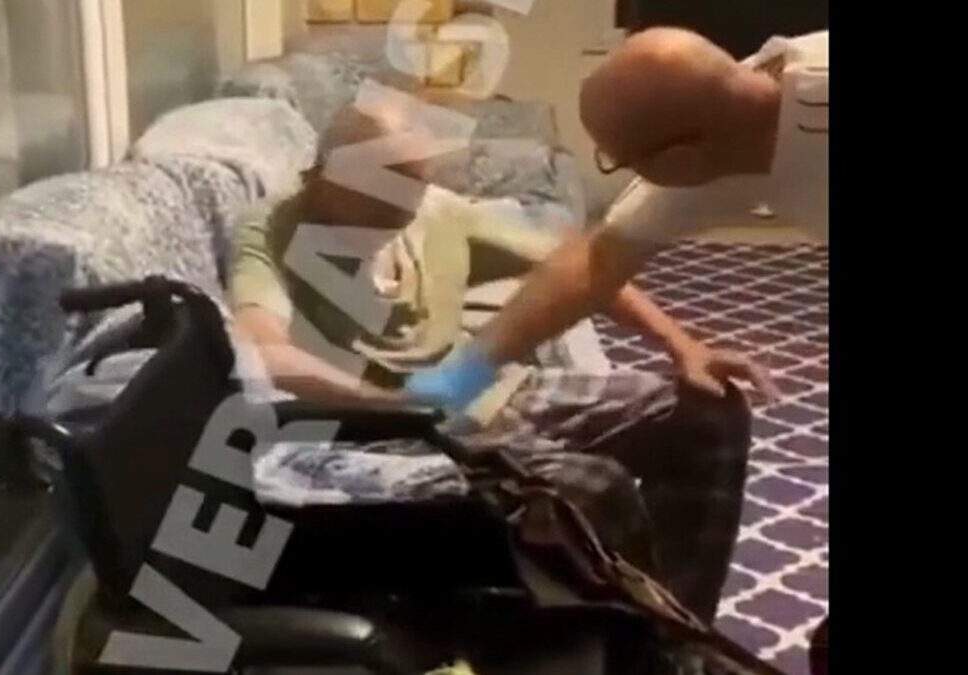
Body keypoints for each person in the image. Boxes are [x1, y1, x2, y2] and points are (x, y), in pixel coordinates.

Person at [228, 99, 771, 621]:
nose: (397, 216)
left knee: (708, 410)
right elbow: (263, 349)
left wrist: (683, 346)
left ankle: (681, 624)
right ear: (329, 175)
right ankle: (637, 638)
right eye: (379, 203)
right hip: (402, 430)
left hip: (486, 388)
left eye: (410, 194)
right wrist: (382, 402)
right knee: (591, 488)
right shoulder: (272, 229)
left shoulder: (437, 211)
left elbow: (584, 267)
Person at [407, 27, 826, 409]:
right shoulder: (733, 128)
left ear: (679, 160)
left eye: (617, 161)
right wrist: (465, 373)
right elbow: (597, 263)